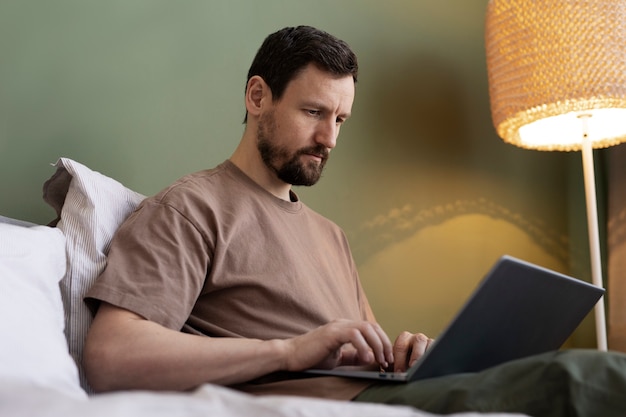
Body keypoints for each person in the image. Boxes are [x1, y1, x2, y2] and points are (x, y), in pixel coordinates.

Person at [83, 25, 626, 416]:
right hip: (342, 405)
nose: (331, 138)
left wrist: (405, 353)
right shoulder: (191, 207)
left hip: (390, 391)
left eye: (340, 118)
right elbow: (111, 356)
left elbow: (370, 350)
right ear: (257, 96)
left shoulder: (330, 236)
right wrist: (289, 351)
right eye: (314, 112)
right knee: (595, 373)